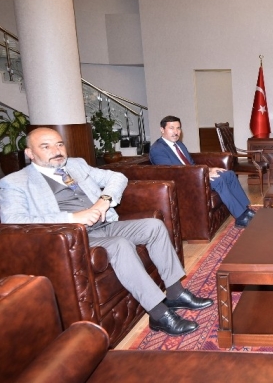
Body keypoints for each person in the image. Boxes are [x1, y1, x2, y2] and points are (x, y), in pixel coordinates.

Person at [0, 128, 213, 336]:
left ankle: (175, 293)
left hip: (104, 224)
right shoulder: (15, 182)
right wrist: (72, 218)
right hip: (73, 238)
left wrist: (104, 201)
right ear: (30, 153)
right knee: (119, 244)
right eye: (46, 147)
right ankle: (158, 314)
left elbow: (117, 178)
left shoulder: (76, 164)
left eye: (59, 144)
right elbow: (14, 221)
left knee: (154, 226)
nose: (56, 151)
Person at [149, 115, 255, 228]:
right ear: (162, 130)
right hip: (182, 183)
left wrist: (209, 169)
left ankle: (245, 209)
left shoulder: (179, 144)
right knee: (217, 180)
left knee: (229, 174)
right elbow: (172, 173)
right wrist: (203, 175)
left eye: (178, 128)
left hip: (193, 175)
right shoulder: (158, 149)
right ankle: (240, 217)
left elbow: (191, 164)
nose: (176, 132)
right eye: (171, 128)